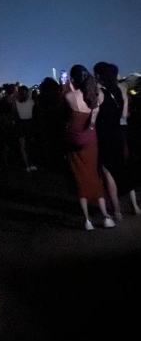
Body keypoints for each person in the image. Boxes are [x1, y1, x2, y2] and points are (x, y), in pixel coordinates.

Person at [64, 65, 114, 230]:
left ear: (73, 79)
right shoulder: (97, 98)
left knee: (80, 177)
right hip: (91, 140)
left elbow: (65, 104)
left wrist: (68, 85)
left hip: (75, 140)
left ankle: (87, 220)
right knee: (94, 174)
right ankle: (106, 216)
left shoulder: (70, 97)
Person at [94, 62, 141, 218]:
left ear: (99, 76)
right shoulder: (122, 89)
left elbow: (94, 117)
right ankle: (135, 207)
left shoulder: (99, 93)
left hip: (105, 136)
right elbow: (125, 115)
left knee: (109, 174)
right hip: (120, 133)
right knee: (125, 169)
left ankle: (118, 212)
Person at [15, 85, 37, 172]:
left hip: (21, 124)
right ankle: (32, 164)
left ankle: (27, 165)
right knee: (30, 145)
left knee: (23, 146)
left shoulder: (16, 102)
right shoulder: (31, 102)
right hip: (29, 123)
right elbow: (30, 92)